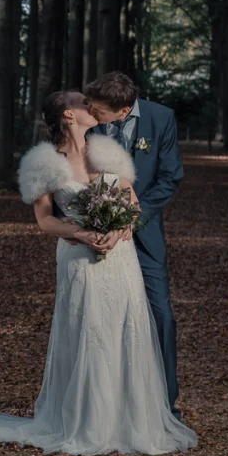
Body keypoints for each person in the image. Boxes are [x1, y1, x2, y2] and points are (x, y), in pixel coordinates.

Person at [0, 90, 196, 456]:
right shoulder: (43, 162)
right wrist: (81, 232)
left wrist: (119, 229)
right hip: (79, 258)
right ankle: (87, 421)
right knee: (89, 331)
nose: (90, 105)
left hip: (120, 257)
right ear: (68, 116)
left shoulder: (108, 150)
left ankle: (130, 420)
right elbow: (45, 220)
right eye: (81, 102)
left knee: (126, 329)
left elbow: (131, 203)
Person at [84, 72, 184, 421]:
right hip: (99, 234)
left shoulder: (161, 118)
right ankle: (108, 405)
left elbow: (170, 177)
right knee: (105, 319)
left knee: (161, 316)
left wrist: (132, 217)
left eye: (99, 110)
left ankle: (165, 405)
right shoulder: (88, 123)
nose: (92, 114)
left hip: (146, 236)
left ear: (123, 111)